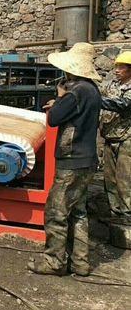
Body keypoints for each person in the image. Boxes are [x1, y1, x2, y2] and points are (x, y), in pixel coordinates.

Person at [27, 42, 102, 277]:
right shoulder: (92, 90)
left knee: (56, 212)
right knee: (78, 211)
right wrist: (62, 102)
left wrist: (59, 99)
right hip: (87, 159)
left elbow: (54, 119)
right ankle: (80, 262)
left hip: (72, 160)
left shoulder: (76, 91)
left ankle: (54, 262)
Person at [100, 51, 131, 221]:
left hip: (126, 138)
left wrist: (96, 100)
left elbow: (123, 105)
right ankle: (115, 212)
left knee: (125, 179)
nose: (117, 70)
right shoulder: (112, 85)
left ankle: (127, 215)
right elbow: (100, 93)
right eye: (116, 66)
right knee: (109, 179)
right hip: (109, 136)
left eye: (121, 67)